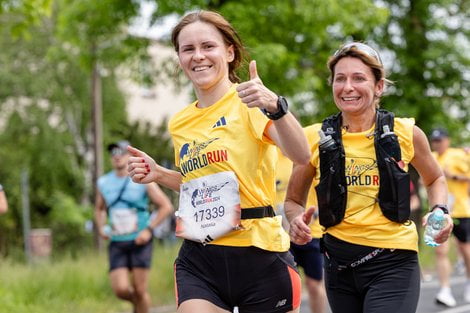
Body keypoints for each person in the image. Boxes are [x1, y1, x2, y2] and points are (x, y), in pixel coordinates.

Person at [127, 10, 311, 313]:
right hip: (201, 258)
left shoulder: (250, 102)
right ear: (179, 58)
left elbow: (301, 155)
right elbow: (198, 187)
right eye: (188, 49)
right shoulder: (180, 122)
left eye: (207, 46)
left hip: (259, 254)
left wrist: (276, 107)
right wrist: (158, 173)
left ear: (229, 52)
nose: (198, 56)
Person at [284, 42, 453, 313]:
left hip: (393, 261)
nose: (347, 87)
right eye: (340, 79)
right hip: (338, 265)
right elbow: (293, 200)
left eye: (359, 78)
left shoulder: (405, 132)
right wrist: (294, 221)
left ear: (379, 86)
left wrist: (440, 210)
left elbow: (435, 179)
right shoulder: (313, 138)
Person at [95, 140, 174, 313]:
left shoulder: (143, 179)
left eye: (121, 152)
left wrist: (149, 230)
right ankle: (138, 304)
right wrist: (101, 228)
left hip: (140, 241)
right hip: (117, 241)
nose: (117, 156)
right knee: (121, 289)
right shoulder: (103, 182)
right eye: (113, 153)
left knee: (139, 289)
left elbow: (166, 206)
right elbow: (99, 209)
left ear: (130, 156)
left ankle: (140, 303)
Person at [275, 149, 327, 313]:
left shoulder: (305, 153)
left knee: (314, 284)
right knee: (286, 284)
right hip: (283, 234)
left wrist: (320, 210)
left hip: (311, 232)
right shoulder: (272, 155)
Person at [429, 127, 470, 306]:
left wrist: (453, 176)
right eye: (434, 141)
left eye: (440, 140)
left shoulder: (459, 155)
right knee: (439, 250)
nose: (437, 144)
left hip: (460, 210)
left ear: (448, 140)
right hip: (439, 212)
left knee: (465, 251)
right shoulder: (430, 156)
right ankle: (445, 290)